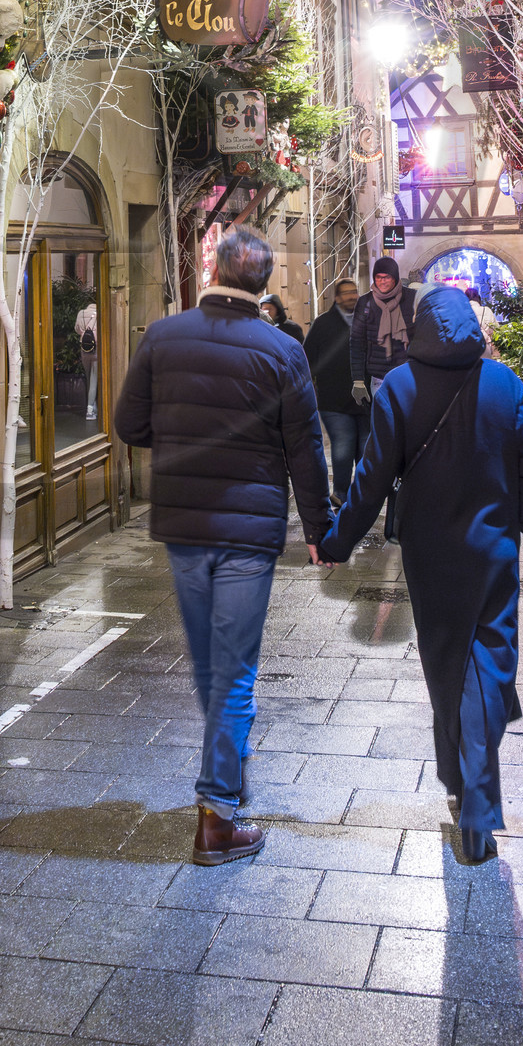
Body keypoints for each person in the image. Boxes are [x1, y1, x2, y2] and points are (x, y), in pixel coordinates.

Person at [114, 222, 329, 868]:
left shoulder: (163, 335)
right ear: (261, 283)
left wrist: (180, 437)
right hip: (248, 530)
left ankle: (228, 774)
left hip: (183, 524)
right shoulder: (280, 350)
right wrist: (320, 529)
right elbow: (304, 447)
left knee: (214, 666)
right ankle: (216, 815)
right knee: (233, 671)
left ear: (213, 270)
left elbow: (130, 423)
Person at [316, 285, 523, 861]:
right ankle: (477, 799)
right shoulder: (504, 383)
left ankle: (463, 786)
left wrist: (337, 542)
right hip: (492, 550)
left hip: (430, 552)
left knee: (446, 664)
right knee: (491, 661)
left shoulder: (399, 387)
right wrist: (518, 517)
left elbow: (370, 479)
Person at [305, 276, 362, 503]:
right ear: (337, 298)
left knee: (365, 449)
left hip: (365, 400)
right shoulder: (323, 324)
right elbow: (307, 358)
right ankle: (340, 493)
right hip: (334, 400)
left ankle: (361, 494)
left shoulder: (367, 319)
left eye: (354, 291)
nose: (351, 296)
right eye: (346, 292)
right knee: (344, 444)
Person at [349, 257, 414, 410]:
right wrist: (358, 381)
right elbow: (357, 342)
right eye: (378, 277)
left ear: (395, 278)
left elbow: (421, 338)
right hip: (379, 377)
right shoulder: (365, 302)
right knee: (383, 423)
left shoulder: (411, 298)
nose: (382, 282)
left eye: (387, 277)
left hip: (408, 375)